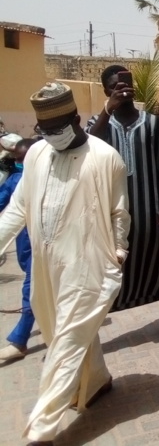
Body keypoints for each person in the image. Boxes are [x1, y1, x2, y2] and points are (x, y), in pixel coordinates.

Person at [0, 82, 130, 445]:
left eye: (60, 129)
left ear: (76, 119)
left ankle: (41, 429)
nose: (53, 137)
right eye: (46, 130)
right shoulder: (36, 154)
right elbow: (19, 208)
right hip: (46, 266)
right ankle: (99, 380)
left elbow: (120, 214)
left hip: (88, 265)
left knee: (65, 344)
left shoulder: (106, 158)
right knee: (61, 331)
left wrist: (118, 252)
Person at [86, 65, 159, 341]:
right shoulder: (97, 123)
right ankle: (94, 328)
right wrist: (109, 109)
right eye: (116, 86)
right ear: (107, 91)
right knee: (109, 268)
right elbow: (87, 147)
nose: (123, 89)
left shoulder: (154, 124)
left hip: (151, 212)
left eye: (125, 84)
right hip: (111, 216)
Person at [0, 138, 37, 361]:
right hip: (23, 246)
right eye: (18, 161)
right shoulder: (15, 181)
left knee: (30, 290)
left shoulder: (47, 179)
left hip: (42, 248)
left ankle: (19, 340)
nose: (21, 164)